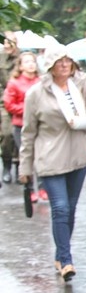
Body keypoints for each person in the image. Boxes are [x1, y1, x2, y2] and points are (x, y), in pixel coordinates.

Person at [18, 44, 86, 281]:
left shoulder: (82, 85)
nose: (65, 65)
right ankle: (66, 260)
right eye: (59, 61)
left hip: (78, 156)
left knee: (71, 209)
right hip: (50, 157)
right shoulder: (36, 93)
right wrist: (25, 167)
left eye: (68, 61)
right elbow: (28, 132)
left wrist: (83, 121)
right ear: (50, 66)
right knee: (61, 208)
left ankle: (60, 253)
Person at [3, 51, 41, 183]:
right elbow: (9, 104)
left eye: (33, 61)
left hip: (41, 124)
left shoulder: (41, 81)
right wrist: (27, 110)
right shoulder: (14, 83)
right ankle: (29, 186)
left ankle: (42, 187)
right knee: (27, 155)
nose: (31, 65)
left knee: (41, 155)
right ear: (20, 66)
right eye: (27, 62)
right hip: (21, 125)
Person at [1, 32, 20, 183]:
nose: (7, 45)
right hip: (4, 101)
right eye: (5, 42)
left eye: (10, 42)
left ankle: (20, 166)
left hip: (22, 102)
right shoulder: (0, 58)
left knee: (22, 136)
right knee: (7, 134)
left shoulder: (23, 59)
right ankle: (7, 164)